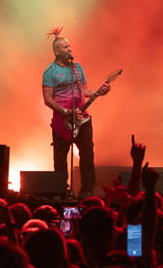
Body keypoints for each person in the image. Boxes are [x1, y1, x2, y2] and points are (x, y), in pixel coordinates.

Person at [41, 28, 111, 198]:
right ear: (57, 51)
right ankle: (60, 192)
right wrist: (67, 112)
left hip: (82, 118)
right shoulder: (50, 72)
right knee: (60, 159)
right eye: (66, 47)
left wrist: (100, 92)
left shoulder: (77, 68)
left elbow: (84, 91)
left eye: (70, 46)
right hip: (62, 120)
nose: (70, 49)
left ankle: (87, 191)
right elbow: (48, 99)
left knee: (87, 155)